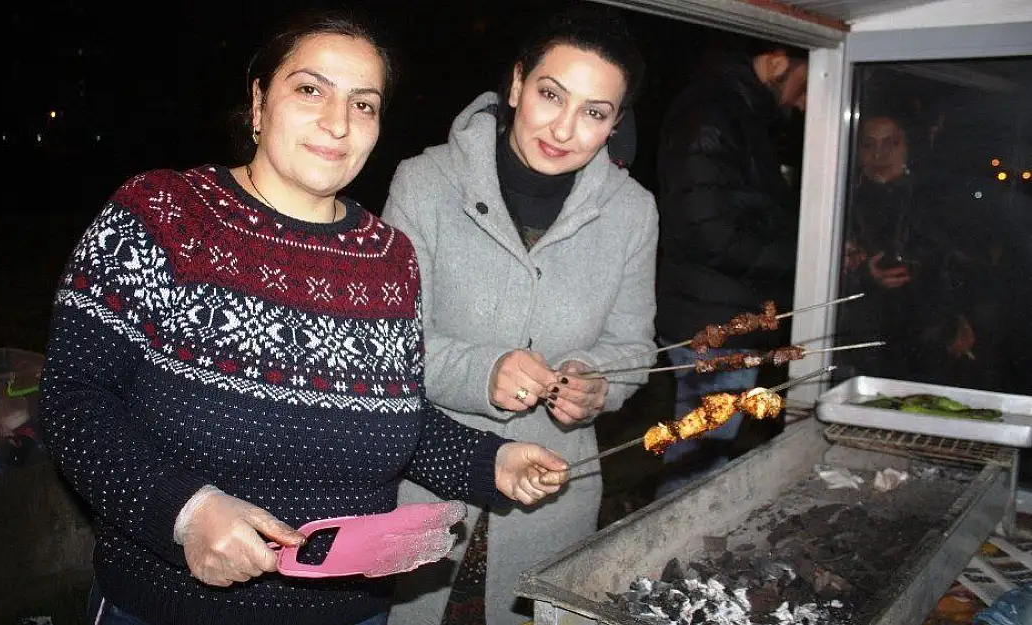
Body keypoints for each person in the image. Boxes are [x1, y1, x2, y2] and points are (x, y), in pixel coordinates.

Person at [36, 11, 571, 625]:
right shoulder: (165, 214)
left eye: (363, 104)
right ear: (259, 102)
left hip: (349, 612)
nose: (337, 122)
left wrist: (490, 461)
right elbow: (75, 400)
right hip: (171, 606)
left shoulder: (389, 258)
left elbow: (388, 418)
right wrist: (184, 512)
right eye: (310, 89)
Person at [381, 7, 657, 625]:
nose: (564, 128)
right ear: (516, 85)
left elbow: (635, 347)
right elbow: (388, 345)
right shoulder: (424, 183)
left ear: (614, 123)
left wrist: (598, 381)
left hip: (553, 496)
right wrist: (484, 370)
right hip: (426, 485)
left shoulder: (633, 213)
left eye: (594, 112)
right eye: (550, 95)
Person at [653, 40, 808, 499]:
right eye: (804, 84)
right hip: (711, 322)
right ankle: (664, 558)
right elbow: (706, 231)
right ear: (777, 59)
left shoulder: (738, 111)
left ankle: (671, 552)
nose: (803, 102)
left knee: (704, 455)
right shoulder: (712, 112)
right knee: (696, 464)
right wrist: (802, 254)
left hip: (724, 312)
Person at [837, 109, 990, 386]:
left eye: (891, 143)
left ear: (908, 147)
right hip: (857, 344)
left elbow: (952, 264)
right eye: (868, 144)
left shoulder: (932, 199)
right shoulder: (838, 199)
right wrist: (861, 276)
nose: (879, 154)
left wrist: (957, 319)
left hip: (923, 343)